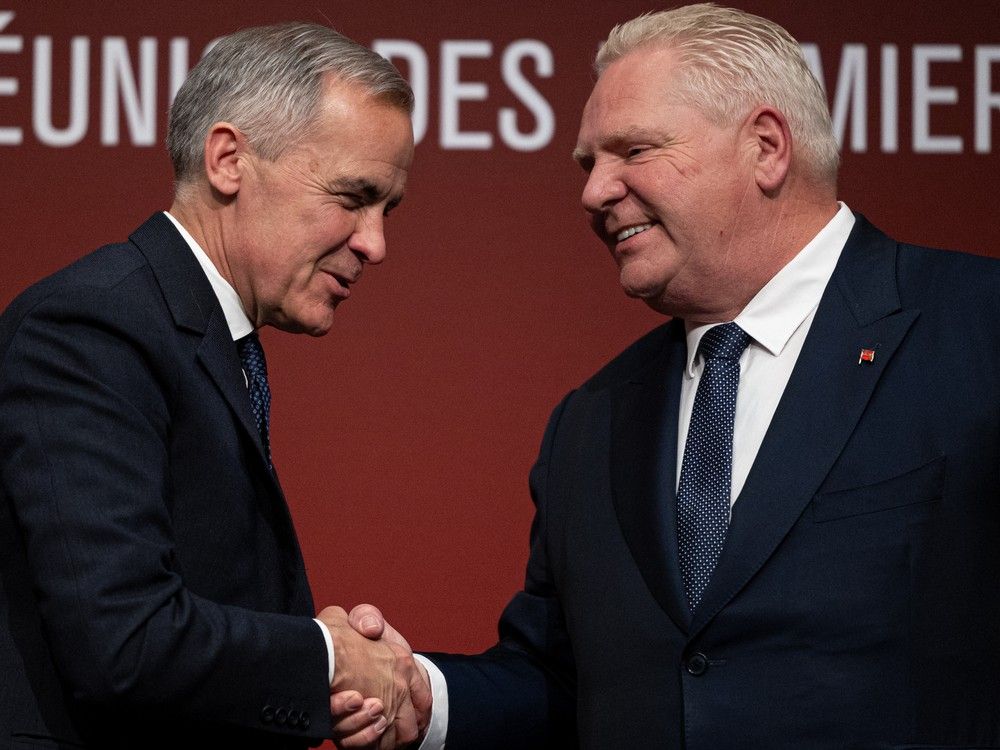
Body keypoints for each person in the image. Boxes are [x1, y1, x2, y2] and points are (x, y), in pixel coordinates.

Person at [332, 4, 1000, 749]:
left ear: (767, 147)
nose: (594, 192)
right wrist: (427, 698)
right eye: (590, 165)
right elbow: (564, 685)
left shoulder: (977, 329)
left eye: (634, 151)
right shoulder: (591, 422)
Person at [0, 21, 432, 750]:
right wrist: (328, 659)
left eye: (386, 210)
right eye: (352, 196)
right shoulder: (91, 326)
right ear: (229, 159)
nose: (375, 243)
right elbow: (125, 640)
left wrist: (316, 659)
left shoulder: (199, 334)